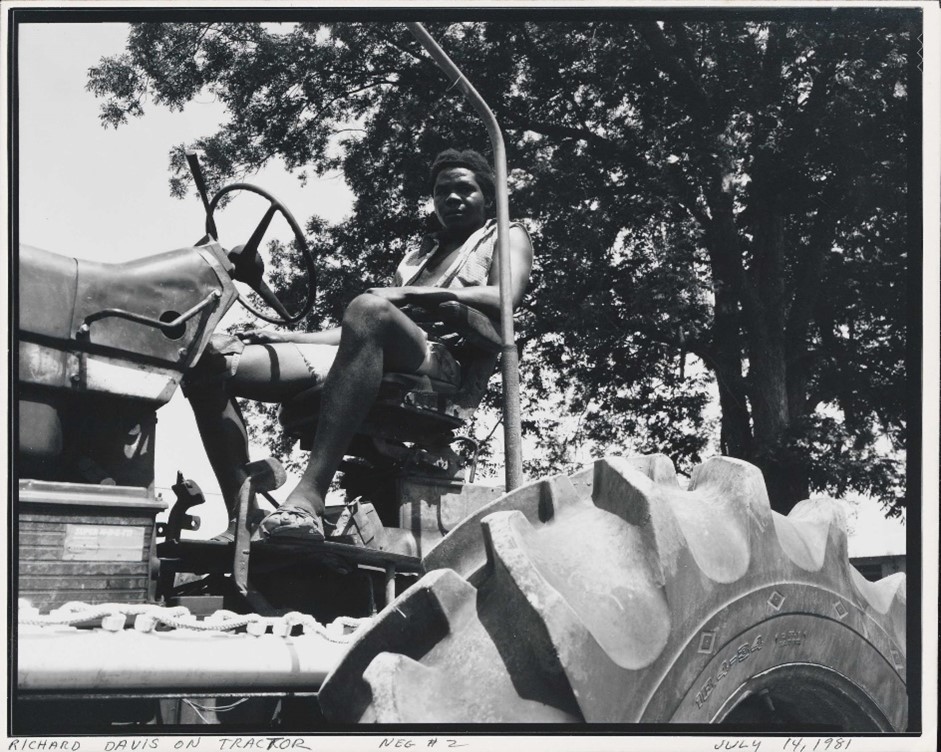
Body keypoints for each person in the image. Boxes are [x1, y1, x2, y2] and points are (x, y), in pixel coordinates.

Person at [184, 148, 534, 542]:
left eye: (464, 190)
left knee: (371, 306)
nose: (451, 198)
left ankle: (309, 496)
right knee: (208, 359)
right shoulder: (420, 254)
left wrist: (409, 297)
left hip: (442, 359)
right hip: (389, 346)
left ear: (487, 197)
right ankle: (242, 515)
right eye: (441, 191)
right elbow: (359, 328)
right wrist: (289, 336)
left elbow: (506, 296)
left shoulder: (504, 233)